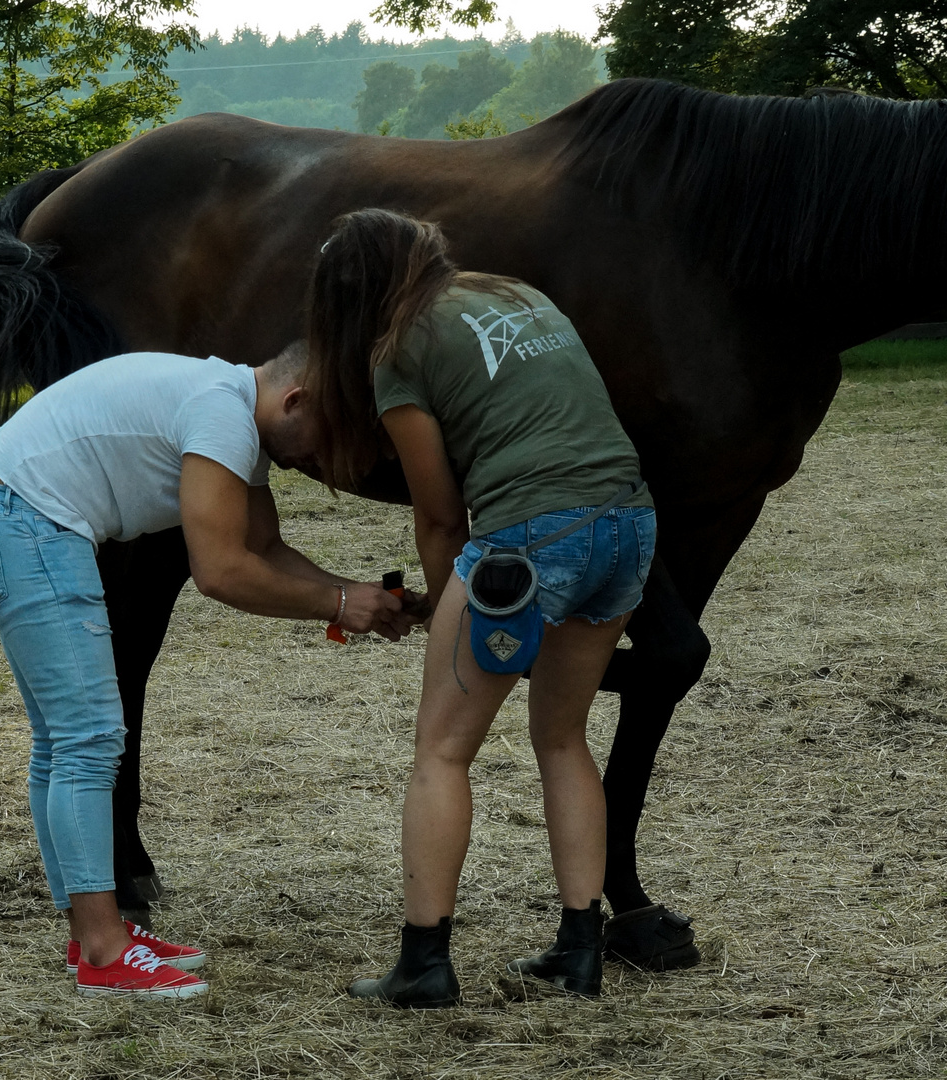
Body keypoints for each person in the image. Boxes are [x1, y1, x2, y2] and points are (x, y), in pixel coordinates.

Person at [0, 345, 413, 998]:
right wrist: (338, 603)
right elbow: (221, 570)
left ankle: (92, 935)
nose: (323, 464)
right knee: (88, 740)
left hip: (7, 521)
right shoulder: (220, 412)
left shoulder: (230, 414)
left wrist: (352, 592)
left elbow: (264, 548)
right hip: (29, 528)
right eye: (325, 442)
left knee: (64, 743)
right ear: (296, 400)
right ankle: (105, 949)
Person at [306, 209, 656, 1008]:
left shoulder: (397, 353)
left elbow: (439, 515)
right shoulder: (518, 293)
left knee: (441, 750)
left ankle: (423, 965)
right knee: (562, 737)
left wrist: (442, 610)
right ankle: (578, 951)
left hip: (524, 549)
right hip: (627, 527)